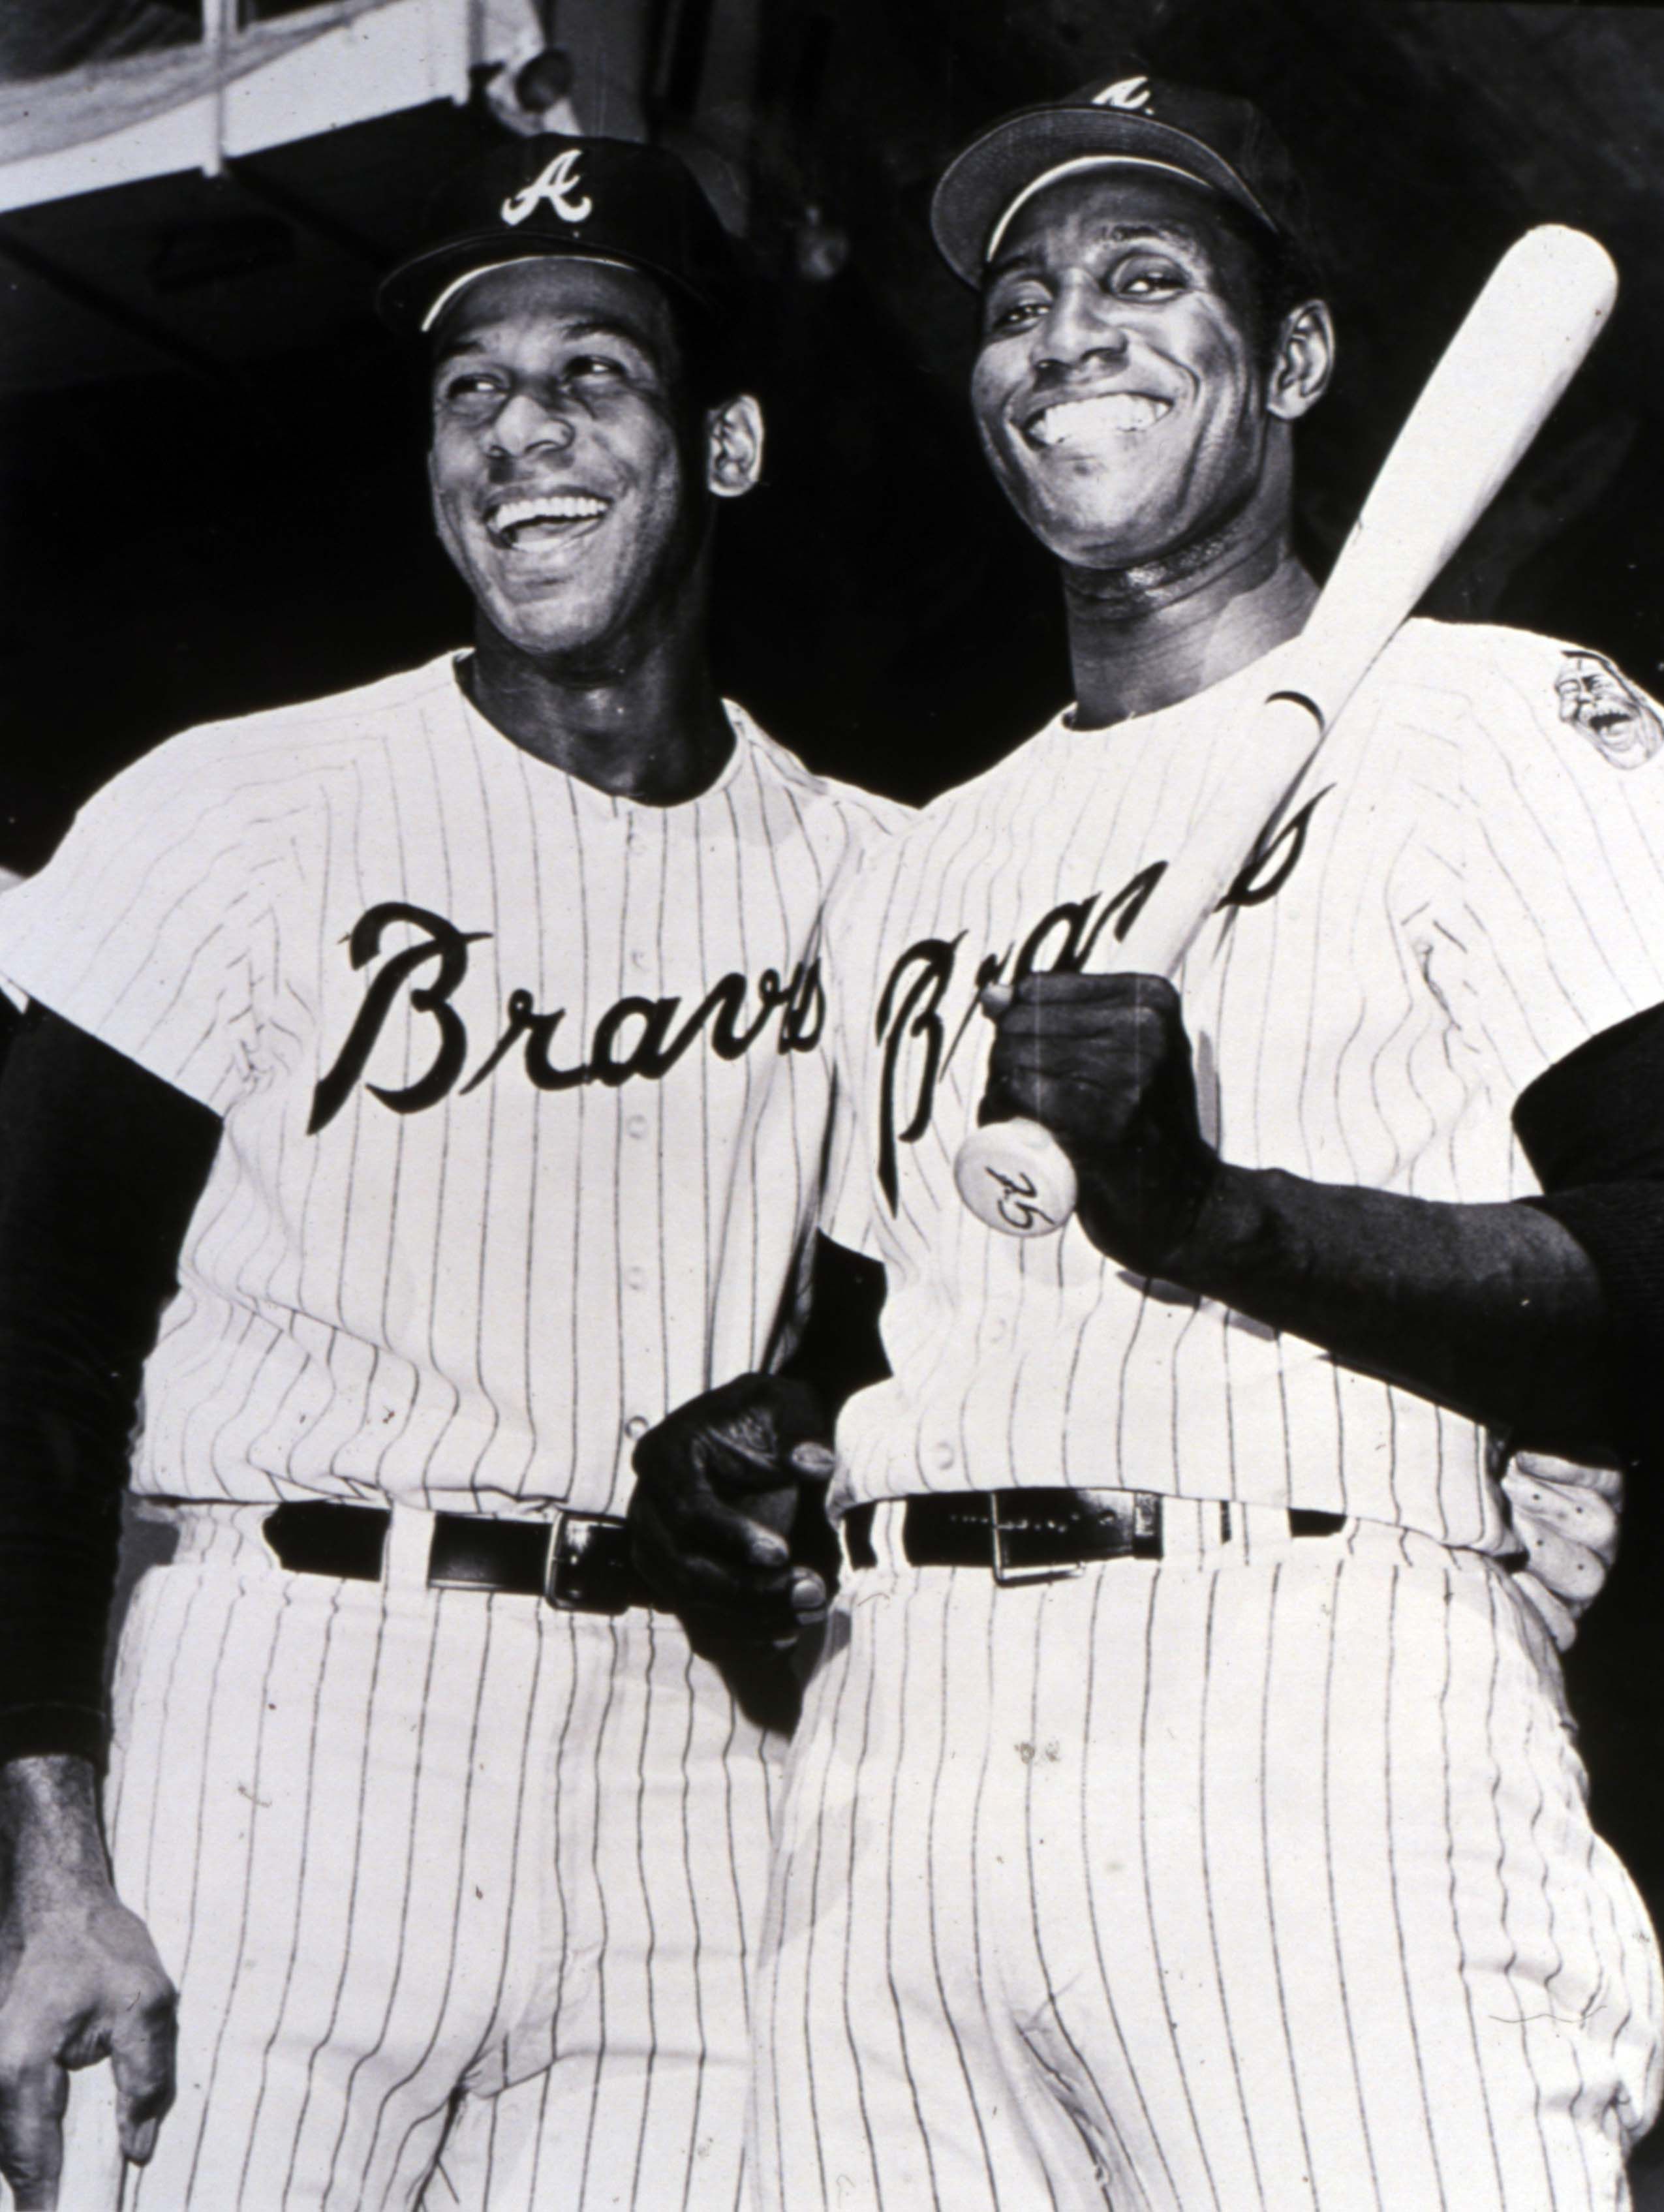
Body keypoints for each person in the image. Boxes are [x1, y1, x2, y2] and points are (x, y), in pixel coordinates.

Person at [628, 74, 1664, 2211]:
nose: (1064, 339)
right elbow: (874, 1355)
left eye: (1148, 278)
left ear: (1296, 360)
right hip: (902, 1778)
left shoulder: (1503, 725)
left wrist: (1219, 1220)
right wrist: (742, 1457)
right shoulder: (922, 863)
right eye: (1021, 299)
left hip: (1309, 1733)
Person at [0, 134, 897, 2211]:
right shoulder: (239, 809)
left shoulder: (878, 875)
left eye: (590, 373)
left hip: (684, 1761)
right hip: (291, 1705)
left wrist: (806, 1422)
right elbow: (30, 1350)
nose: (518, 436)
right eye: (468, 390)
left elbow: (895, 1346)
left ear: (730, 446)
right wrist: (51, 1872)